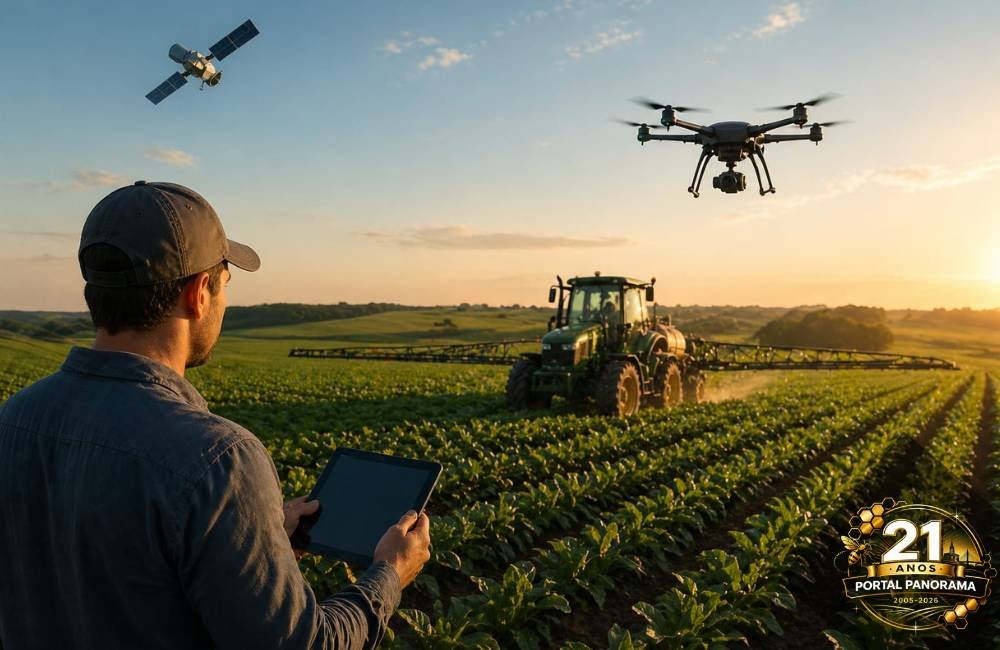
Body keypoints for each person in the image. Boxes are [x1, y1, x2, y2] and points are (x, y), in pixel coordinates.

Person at [0, 182, 431, 649]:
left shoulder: (13, 418)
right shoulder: (217, 459)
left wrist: (253, 544)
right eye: (225, 282)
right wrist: (388, 574)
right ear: (199, 293)